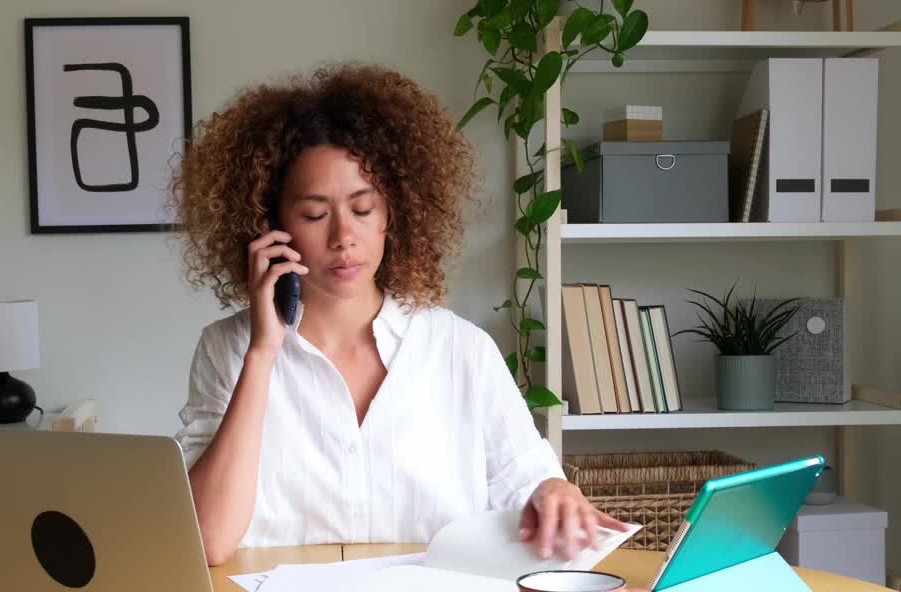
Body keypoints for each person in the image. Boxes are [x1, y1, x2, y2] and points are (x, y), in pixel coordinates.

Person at [171, 62, 626, 566]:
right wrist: (262, 353)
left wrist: (554, 492)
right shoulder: (228, 351)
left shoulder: (460, 350)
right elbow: (208, 540)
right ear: (271, 224)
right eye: (315, 214)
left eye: (363, 209)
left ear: (394, 213)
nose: (343, 236)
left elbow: (531, 480)